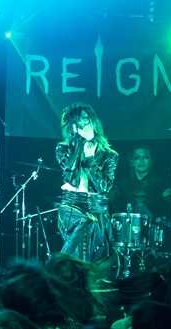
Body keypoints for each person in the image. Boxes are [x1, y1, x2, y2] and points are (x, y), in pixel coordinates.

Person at [55, 103, 118, 263]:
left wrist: (90, 160)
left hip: (98, 206)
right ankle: (64, 267)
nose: (82, 124)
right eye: (76, 121)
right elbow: (71, 178)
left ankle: (63, 268)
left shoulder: (109, 155)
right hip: (73, 204)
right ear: (71, 127)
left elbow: (104, 187)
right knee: (85, 226)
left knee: (97, 259)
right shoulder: (64, 149)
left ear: (93, 121)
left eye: (84, 118)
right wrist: (77, 144)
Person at [109, 146, 171, 222]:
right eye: (137, 157)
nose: (141, 161)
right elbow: (110, 199)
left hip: (154, 225)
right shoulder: (123, 183)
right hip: (130, 225)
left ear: (151, 160)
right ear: (132, 162)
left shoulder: (160, 183)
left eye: (145, 157)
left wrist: (155, 215)